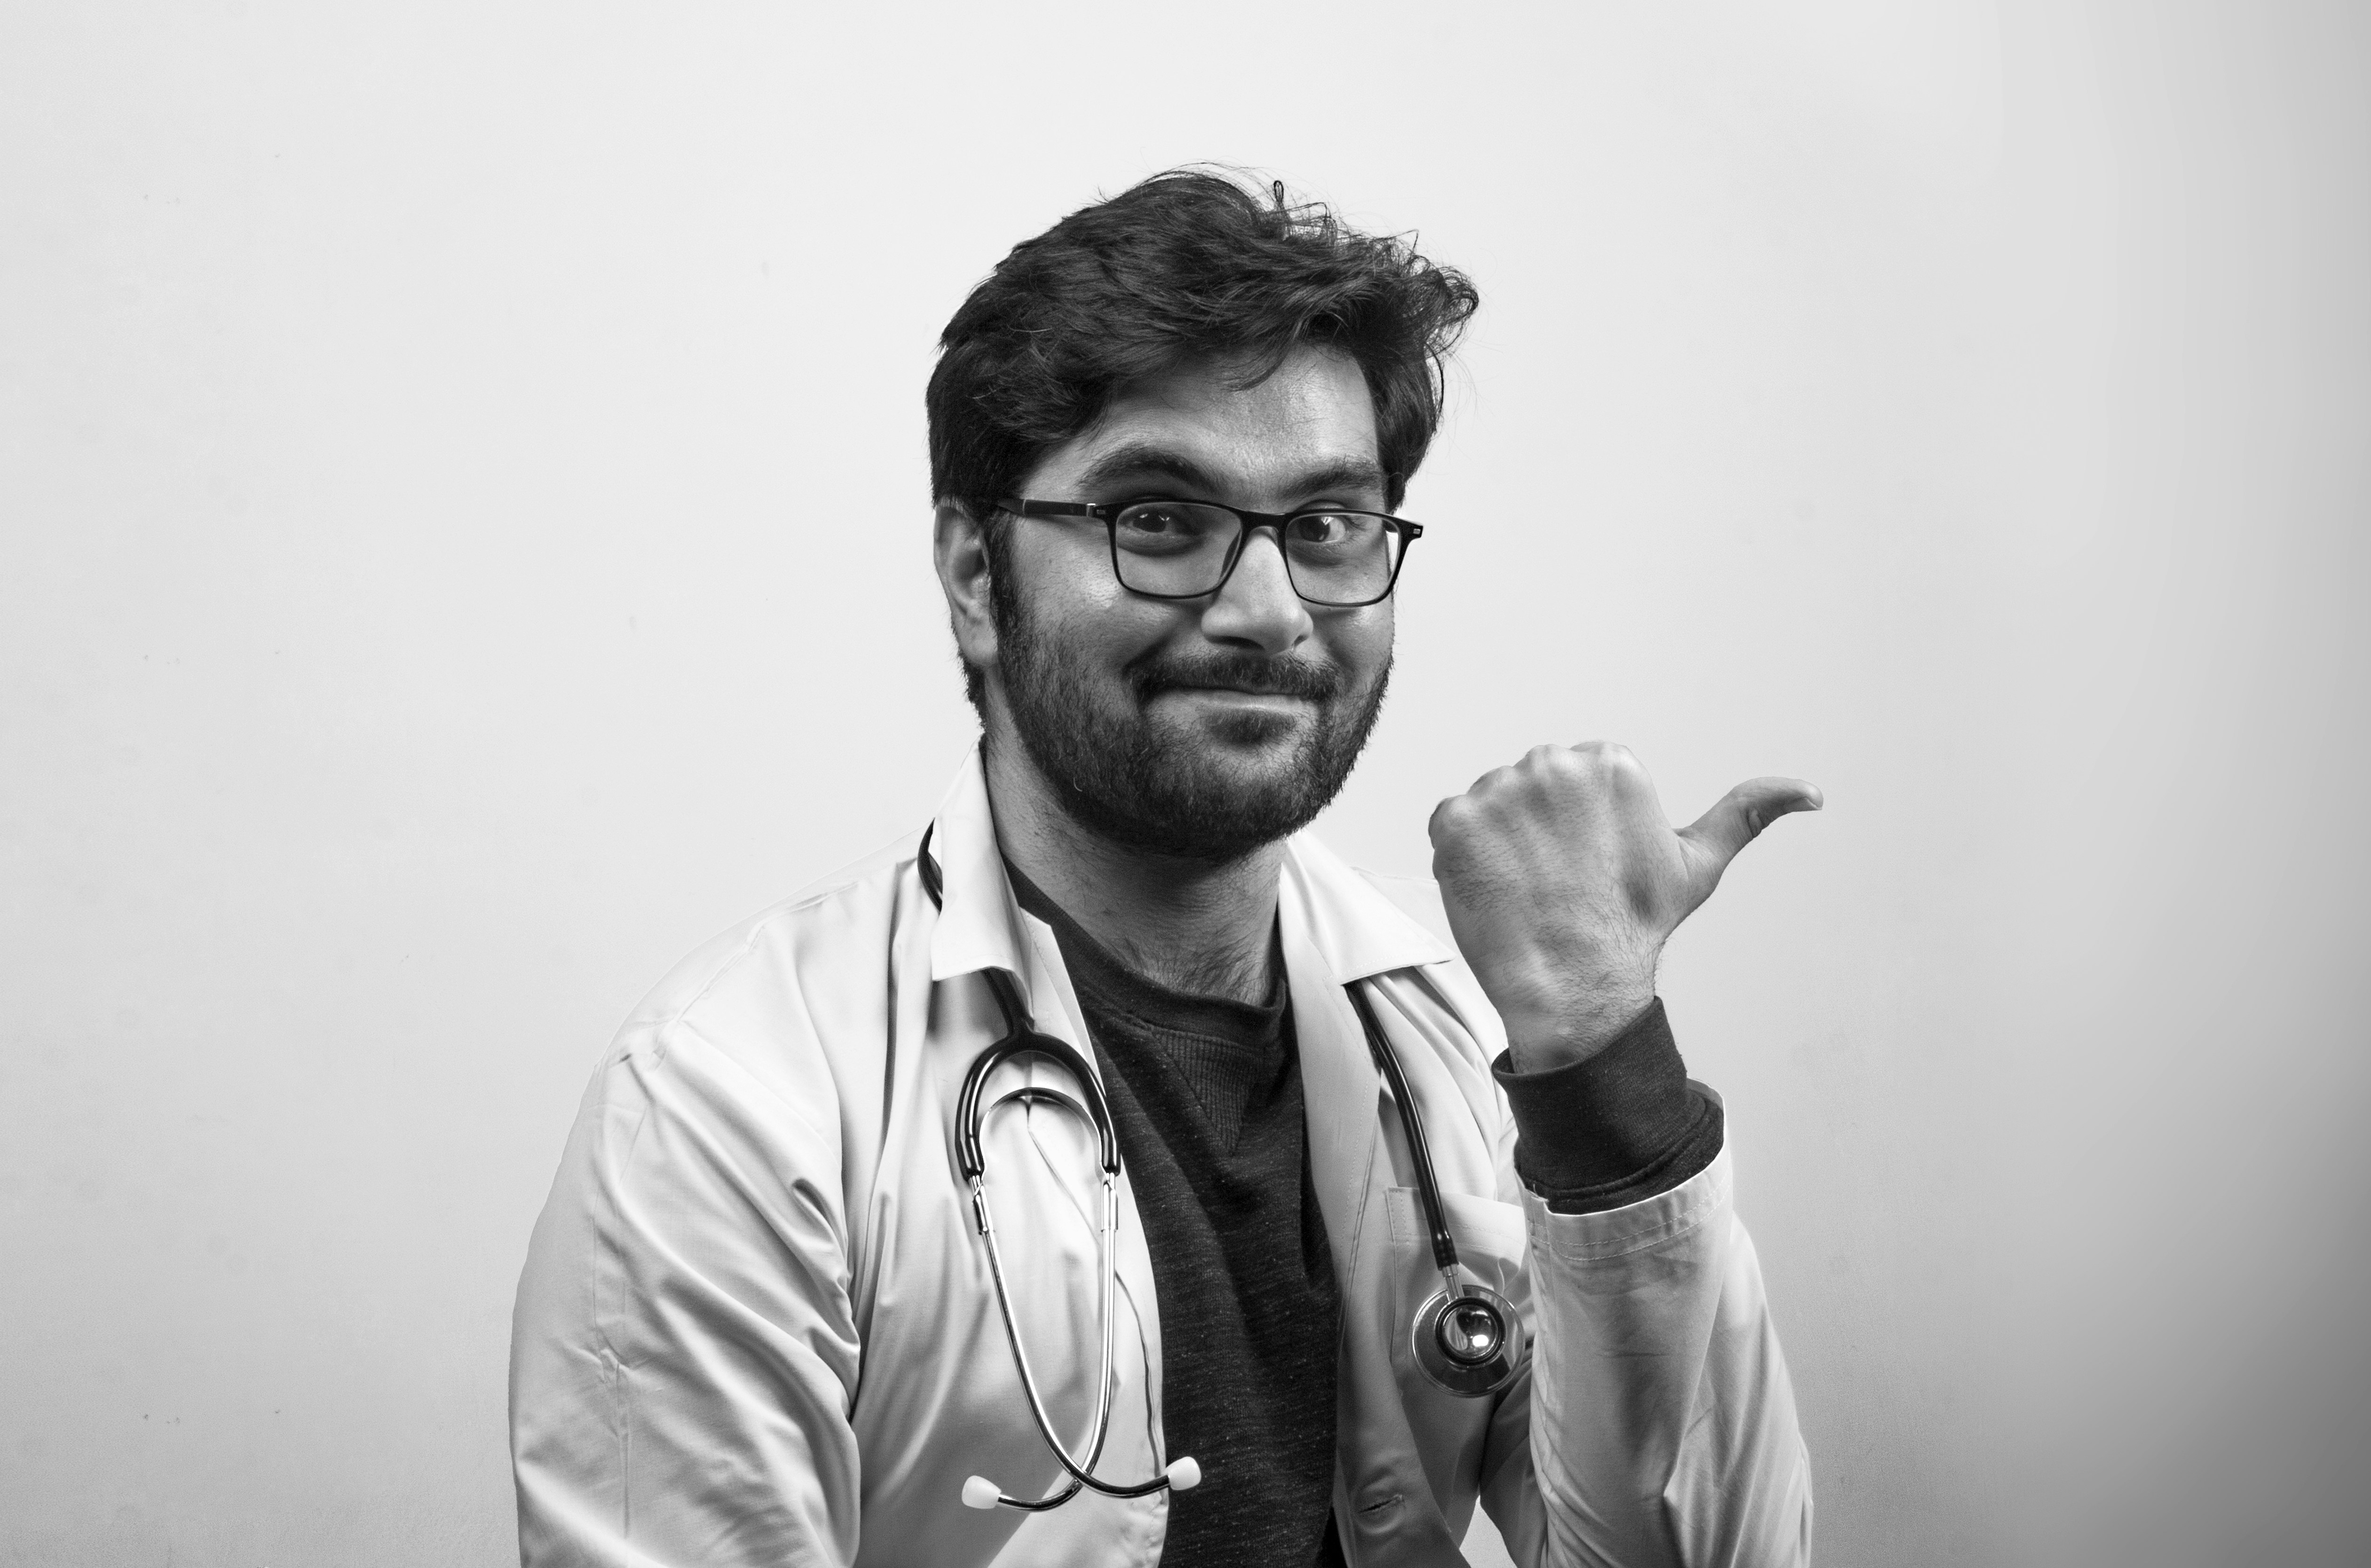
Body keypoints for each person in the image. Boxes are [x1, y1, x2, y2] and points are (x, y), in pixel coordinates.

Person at [509, 169, 1818, 1568]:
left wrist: (1602, 1069)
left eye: (1324, 527)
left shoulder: (1478, 1038)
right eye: (1158, 519)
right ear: (973, 573)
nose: (1267, 613)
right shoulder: (733, 1109)